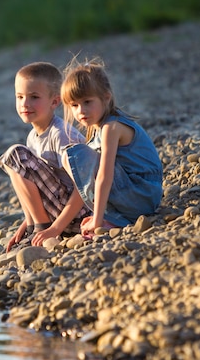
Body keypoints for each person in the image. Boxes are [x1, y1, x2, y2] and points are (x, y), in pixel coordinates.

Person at [60, 57, 163, 236]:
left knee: (76, 155)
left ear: (106, 98)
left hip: (141, 192)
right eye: (74, 105)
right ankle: (117, 218)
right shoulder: (97, 128)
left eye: (87, 102)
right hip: (142, 194)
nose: (80, 111)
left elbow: (105, 176)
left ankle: (109, 217)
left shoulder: (111, 127)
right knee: (72, 156)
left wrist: (97, 220)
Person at [0, 62, 90, 251]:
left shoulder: (61, 134)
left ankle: (42, 226)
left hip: (81, 212)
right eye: (20, 97)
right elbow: (34, 184)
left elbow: (86, 186)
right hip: (62, 211)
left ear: (54, 102)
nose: (25, 103)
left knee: (16, 154)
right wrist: (26, 224)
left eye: (34, 97)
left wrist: (54, 229)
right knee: (13, 161)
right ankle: (35, 226)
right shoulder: (33, 136)